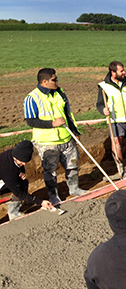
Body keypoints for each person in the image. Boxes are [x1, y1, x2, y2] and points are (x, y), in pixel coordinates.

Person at [23, 68, 87, 205]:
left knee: (72, 165)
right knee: (50, 171)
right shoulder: (32, 98)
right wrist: (52, 124)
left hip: (66, 138)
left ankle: (74, 189)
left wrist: (75, 132)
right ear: (44, 81)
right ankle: (53, 196)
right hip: (47, 142)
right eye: (54, 79)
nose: (57, 81)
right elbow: (30, 121)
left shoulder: (60, 92)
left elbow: (68, 114)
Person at [0, 140, 55, 220]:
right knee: (19, 186)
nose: (24, 164)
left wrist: (21, 172)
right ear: (15, 158)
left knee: (23, 182)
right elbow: (19, 193)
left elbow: (19, 168)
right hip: (5, 176)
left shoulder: (15, 153)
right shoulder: (8, 169)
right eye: (22, 162)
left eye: (25, 162)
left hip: (4, 177)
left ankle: (13, 213)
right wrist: (40, 202)